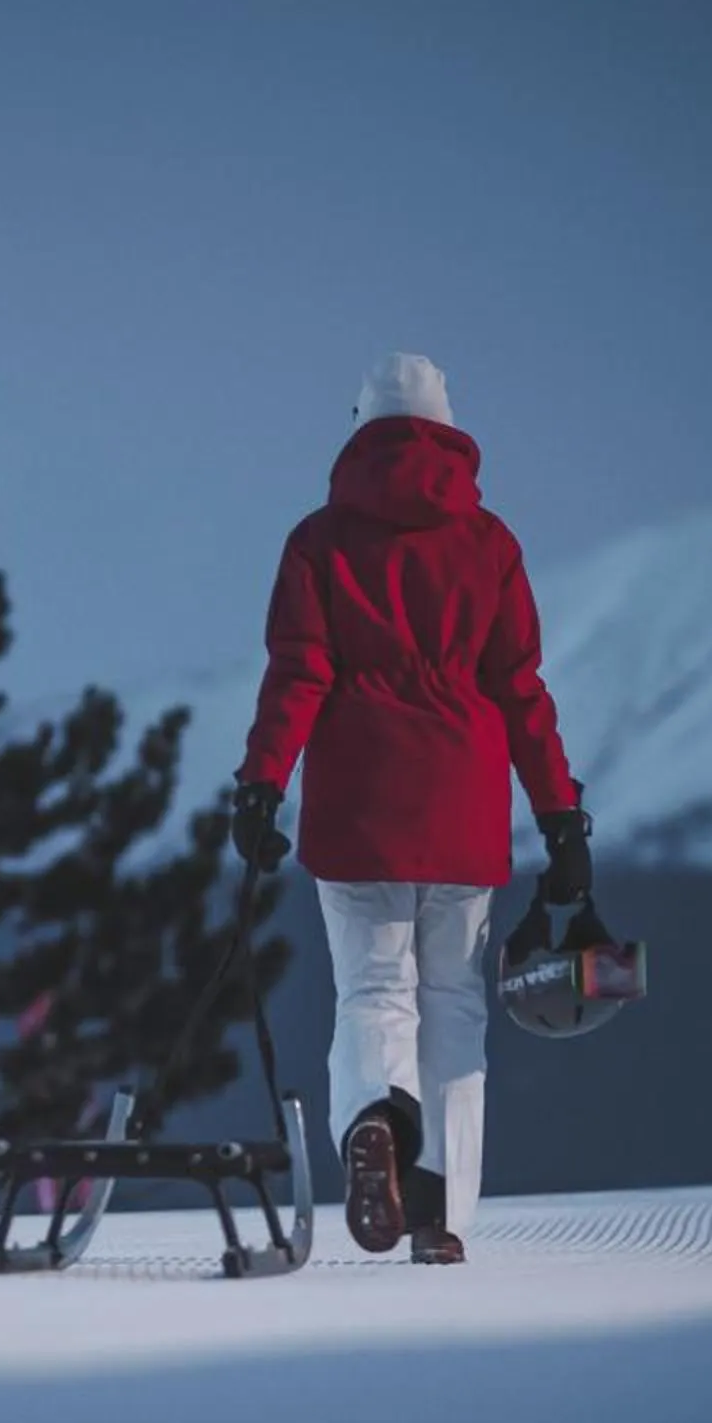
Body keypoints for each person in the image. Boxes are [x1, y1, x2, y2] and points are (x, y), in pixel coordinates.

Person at [231, 353, 590, 1266]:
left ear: (360, 427)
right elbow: (520, 690)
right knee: (455, 1005)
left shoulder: (318, 541)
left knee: (373, 994)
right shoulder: (490, 544)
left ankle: (373, 1124)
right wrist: (560, 816)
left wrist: (263, 781)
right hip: (463, 811)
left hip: (357, 809)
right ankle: (442, 1215)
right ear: (447, 427)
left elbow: (298, 674)